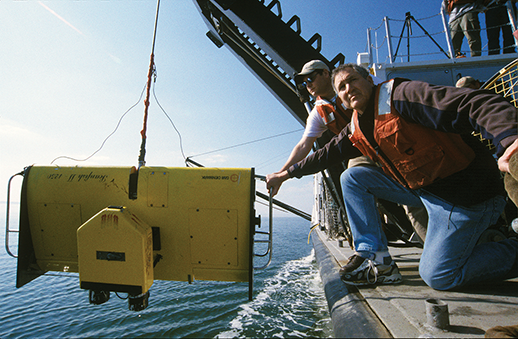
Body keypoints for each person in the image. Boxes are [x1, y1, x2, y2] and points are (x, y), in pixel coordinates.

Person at [266, 63, 518, 290]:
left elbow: (473, 103)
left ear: (369, 80)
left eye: (353, 80)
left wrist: (511, 140)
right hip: (426, 191)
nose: (348, 88)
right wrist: (285, 175)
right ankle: (377, 260)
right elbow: (323, 155)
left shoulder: (401, 95)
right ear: (340, 99)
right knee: (352, 177)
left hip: (465, 197)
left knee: (439, 275)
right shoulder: (356, 125)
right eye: (341, 87)